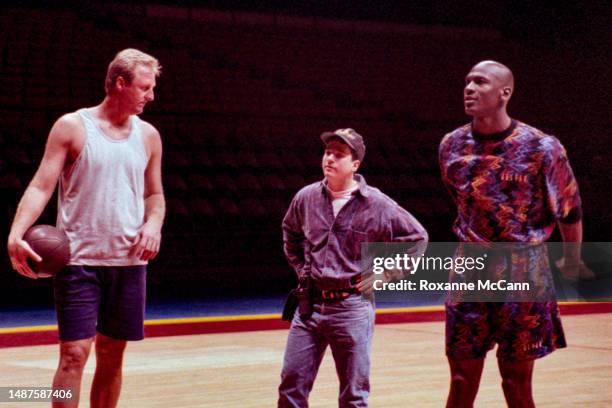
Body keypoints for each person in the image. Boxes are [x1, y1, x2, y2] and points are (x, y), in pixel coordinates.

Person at [7, 48, 165, 408]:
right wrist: (16, 233)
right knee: (74, 354)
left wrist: (153, 223)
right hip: (79, 260)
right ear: (120, 83)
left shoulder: (149, 135)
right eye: (144, 87)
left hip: (129, 262)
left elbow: (154, 194)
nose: (150, 96)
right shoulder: (72, 126)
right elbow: (40, 186)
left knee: (112, 354)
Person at [439, 60, 590, 407]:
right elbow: (463, 202)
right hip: (471, 269)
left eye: (480, 82)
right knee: (461, 380)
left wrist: (572, 261)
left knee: (516, 383)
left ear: (504, 92)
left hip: (523, 269)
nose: (469, 88)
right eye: (467, 81)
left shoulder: (542, 147)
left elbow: (569, 209)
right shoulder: (451, 145)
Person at [278, 128, 428, 407]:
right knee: (291, 389)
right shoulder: (306, 197)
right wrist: (302, 270)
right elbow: (291, 234)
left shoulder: (378, 204)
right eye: (327, 152)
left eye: (339, 154)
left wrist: (386, 274)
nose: (330, 158)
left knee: (354, 396)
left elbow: (417, 240)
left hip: (351, 307)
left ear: (355, 164)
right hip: (309, 305)